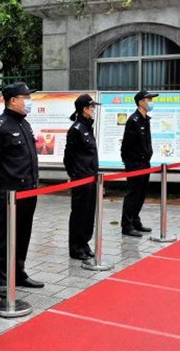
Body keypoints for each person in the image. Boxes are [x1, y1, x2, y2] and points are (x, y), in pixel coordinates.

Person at [0, 82, 44, 299]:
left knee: (23, 232)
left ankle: (18, 272)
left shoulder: (24, 124)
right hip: (9, 191)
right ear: (13, 100)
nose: (29, 101)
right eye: (26, 97)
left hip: (28, 189)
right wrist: (0, 184)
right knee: (4, 234)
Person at [64, 94, 101, 260]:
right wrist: (75, 175)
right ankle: (76, 247)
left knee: (88, 213)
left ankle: (84, 243)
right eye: (91, 107)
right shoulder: (76, 129)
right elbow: (69, 157)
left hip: (91, 177)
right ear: (84, 109)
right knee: (79, 213)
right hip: (81, 177)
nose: (93, 110)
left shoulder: (87, 127)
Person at [120, 90, 158, 237]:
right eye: (149, 100)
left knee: (141, 194)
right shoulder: (133, 120)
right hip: (135, 164)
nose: (151, 102)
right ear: (141, 102)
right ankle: (127, 225)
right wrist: (129, 164)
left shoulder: (145, 119)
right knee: (132, 194)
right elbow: (126, 146)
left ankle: (136, 221)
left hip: (145, 162)